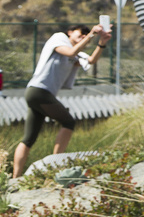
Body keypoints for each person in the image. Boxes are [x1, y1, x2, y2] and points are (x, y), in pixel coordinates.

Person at [16, 23, 112, 178]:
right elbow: (70, 52)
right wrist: (91, 35)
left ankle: (15, 178)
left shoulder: (77, 53)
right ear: (70, 32)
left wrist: (102, 43)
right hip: (38, 91)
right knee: (68, 122)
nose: (82, 36)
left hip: (43, 95)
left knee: (28, 139)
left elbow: (91, 60)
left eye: (85, 35)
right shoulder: (59, 38)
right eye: (80, 34)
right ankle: (55, 164)